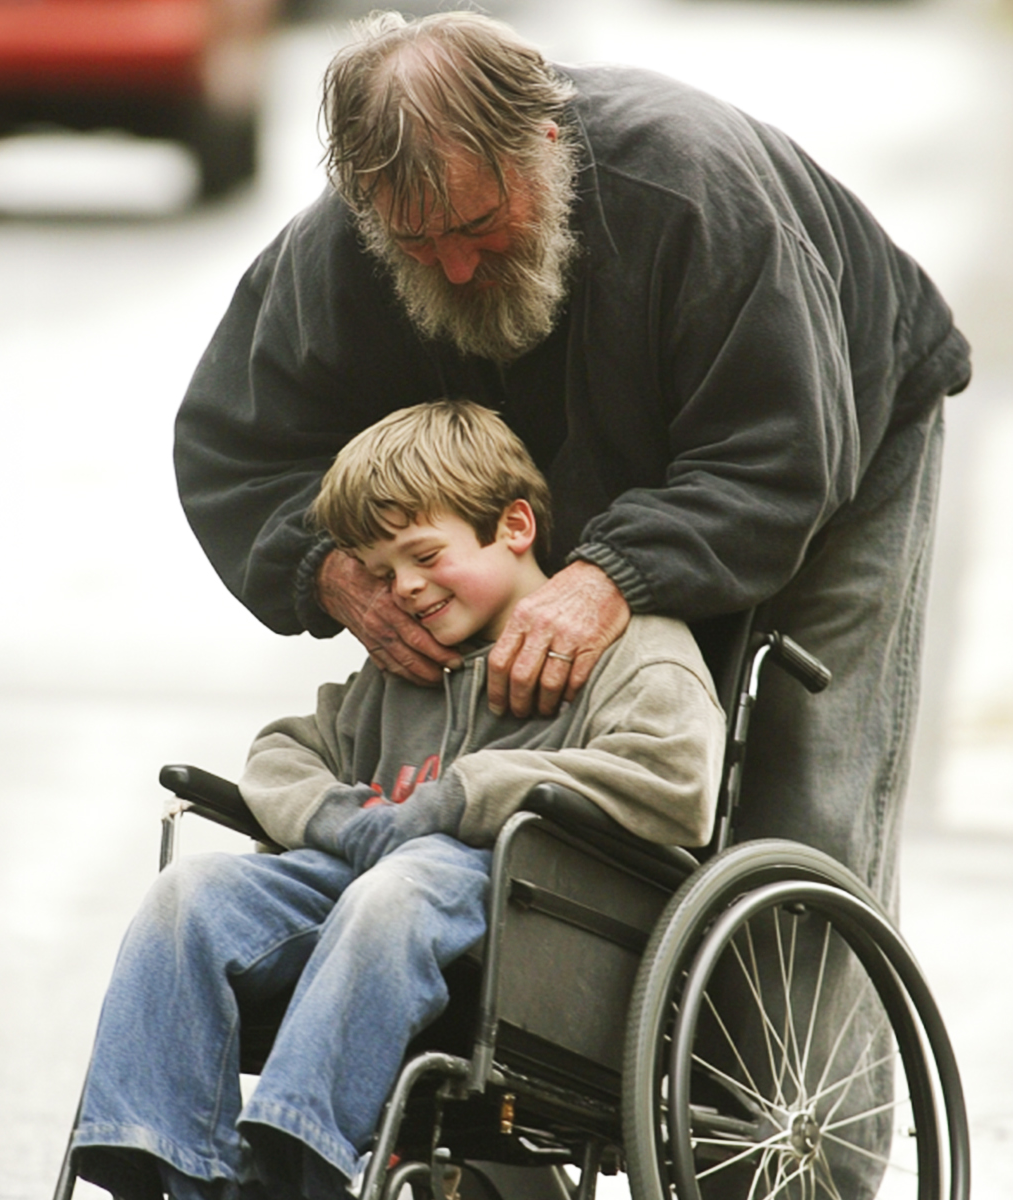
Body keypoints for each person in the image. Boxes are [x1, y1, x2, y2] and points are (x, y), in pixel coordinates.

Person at [173, 11, 969, 906]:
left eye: (479, 224)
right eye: (417, 244)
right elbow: (234, 447)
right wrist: (324, 569)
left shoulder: (690, 194)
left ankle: (796, 1043)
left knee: (799, 789)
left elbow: (775, 462)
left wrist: (608, 576)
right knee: (520, 771)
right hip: (584, 481)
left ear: (544, 145)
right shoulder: (346, 244)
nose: (459, 266)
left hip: (831, 435)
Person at [72, 400, 726, 1200]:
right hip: (361, 891)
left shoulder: (634, 645)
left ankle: (291, 1167)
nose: (404, 591)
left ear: (515, 525)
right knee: (189, 896)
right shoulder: (406, 663)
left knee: (404, 880)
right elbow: (284, 752)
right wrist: (338, 817)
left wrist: (463, 796)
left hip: (530, 919)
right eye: (381, 574)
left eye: (423, 556)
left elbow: (677, 788)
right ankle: (166, 1167)